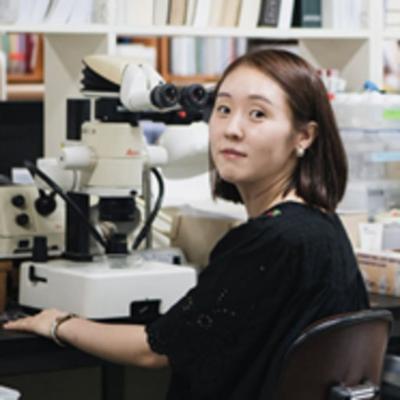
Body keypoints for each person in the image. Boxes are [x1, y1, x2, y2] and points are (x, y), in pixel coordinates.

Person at [3, 49, 369, 399]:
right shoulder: (322, 225)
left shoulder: (272, 240)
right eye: (223, 109)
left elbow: (154, 349)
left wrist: (59, 324)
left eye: (257, 114)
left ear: (304, 136)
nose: (232, 129)